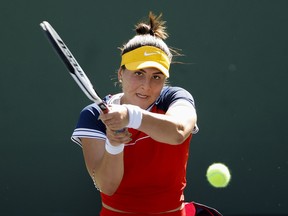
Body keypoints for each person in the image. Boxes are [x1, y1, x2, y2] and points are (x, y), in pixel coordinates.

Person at [71, 12, 222, 216]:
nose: (146, 86)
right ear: (120, 73)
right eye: (138, 73)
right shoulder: (93, 115)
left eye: (156, 77)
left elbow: (178, 131)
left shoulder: (175, 98)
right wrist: (114, 144)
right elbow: (107, 186)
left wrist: (130, 115)